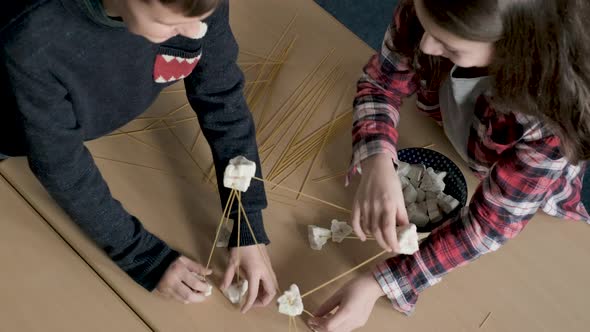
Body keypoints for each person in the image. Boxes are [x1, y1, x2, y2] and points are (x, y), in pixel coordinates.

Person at [308, 0, 590, 331]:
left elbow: (489, 225)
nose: (426, 45)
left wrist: (380, 284)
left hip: (525, 191)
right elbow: (380, 85)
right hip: (453, 131)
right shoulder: (432, 9)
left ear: (514, 44)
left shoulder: (551, 122)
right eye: (427, 27)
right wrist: (376, 159)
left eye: (449, 45)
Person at [0, 0, 277, 312]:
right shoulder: (34, 35)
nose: (196, 31)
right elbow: (61, 165)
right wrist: (146, 258)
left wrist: (246, 218)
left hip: (74, 123)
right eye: (170, 25)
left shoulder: (195, 6)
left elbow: (222, 98)